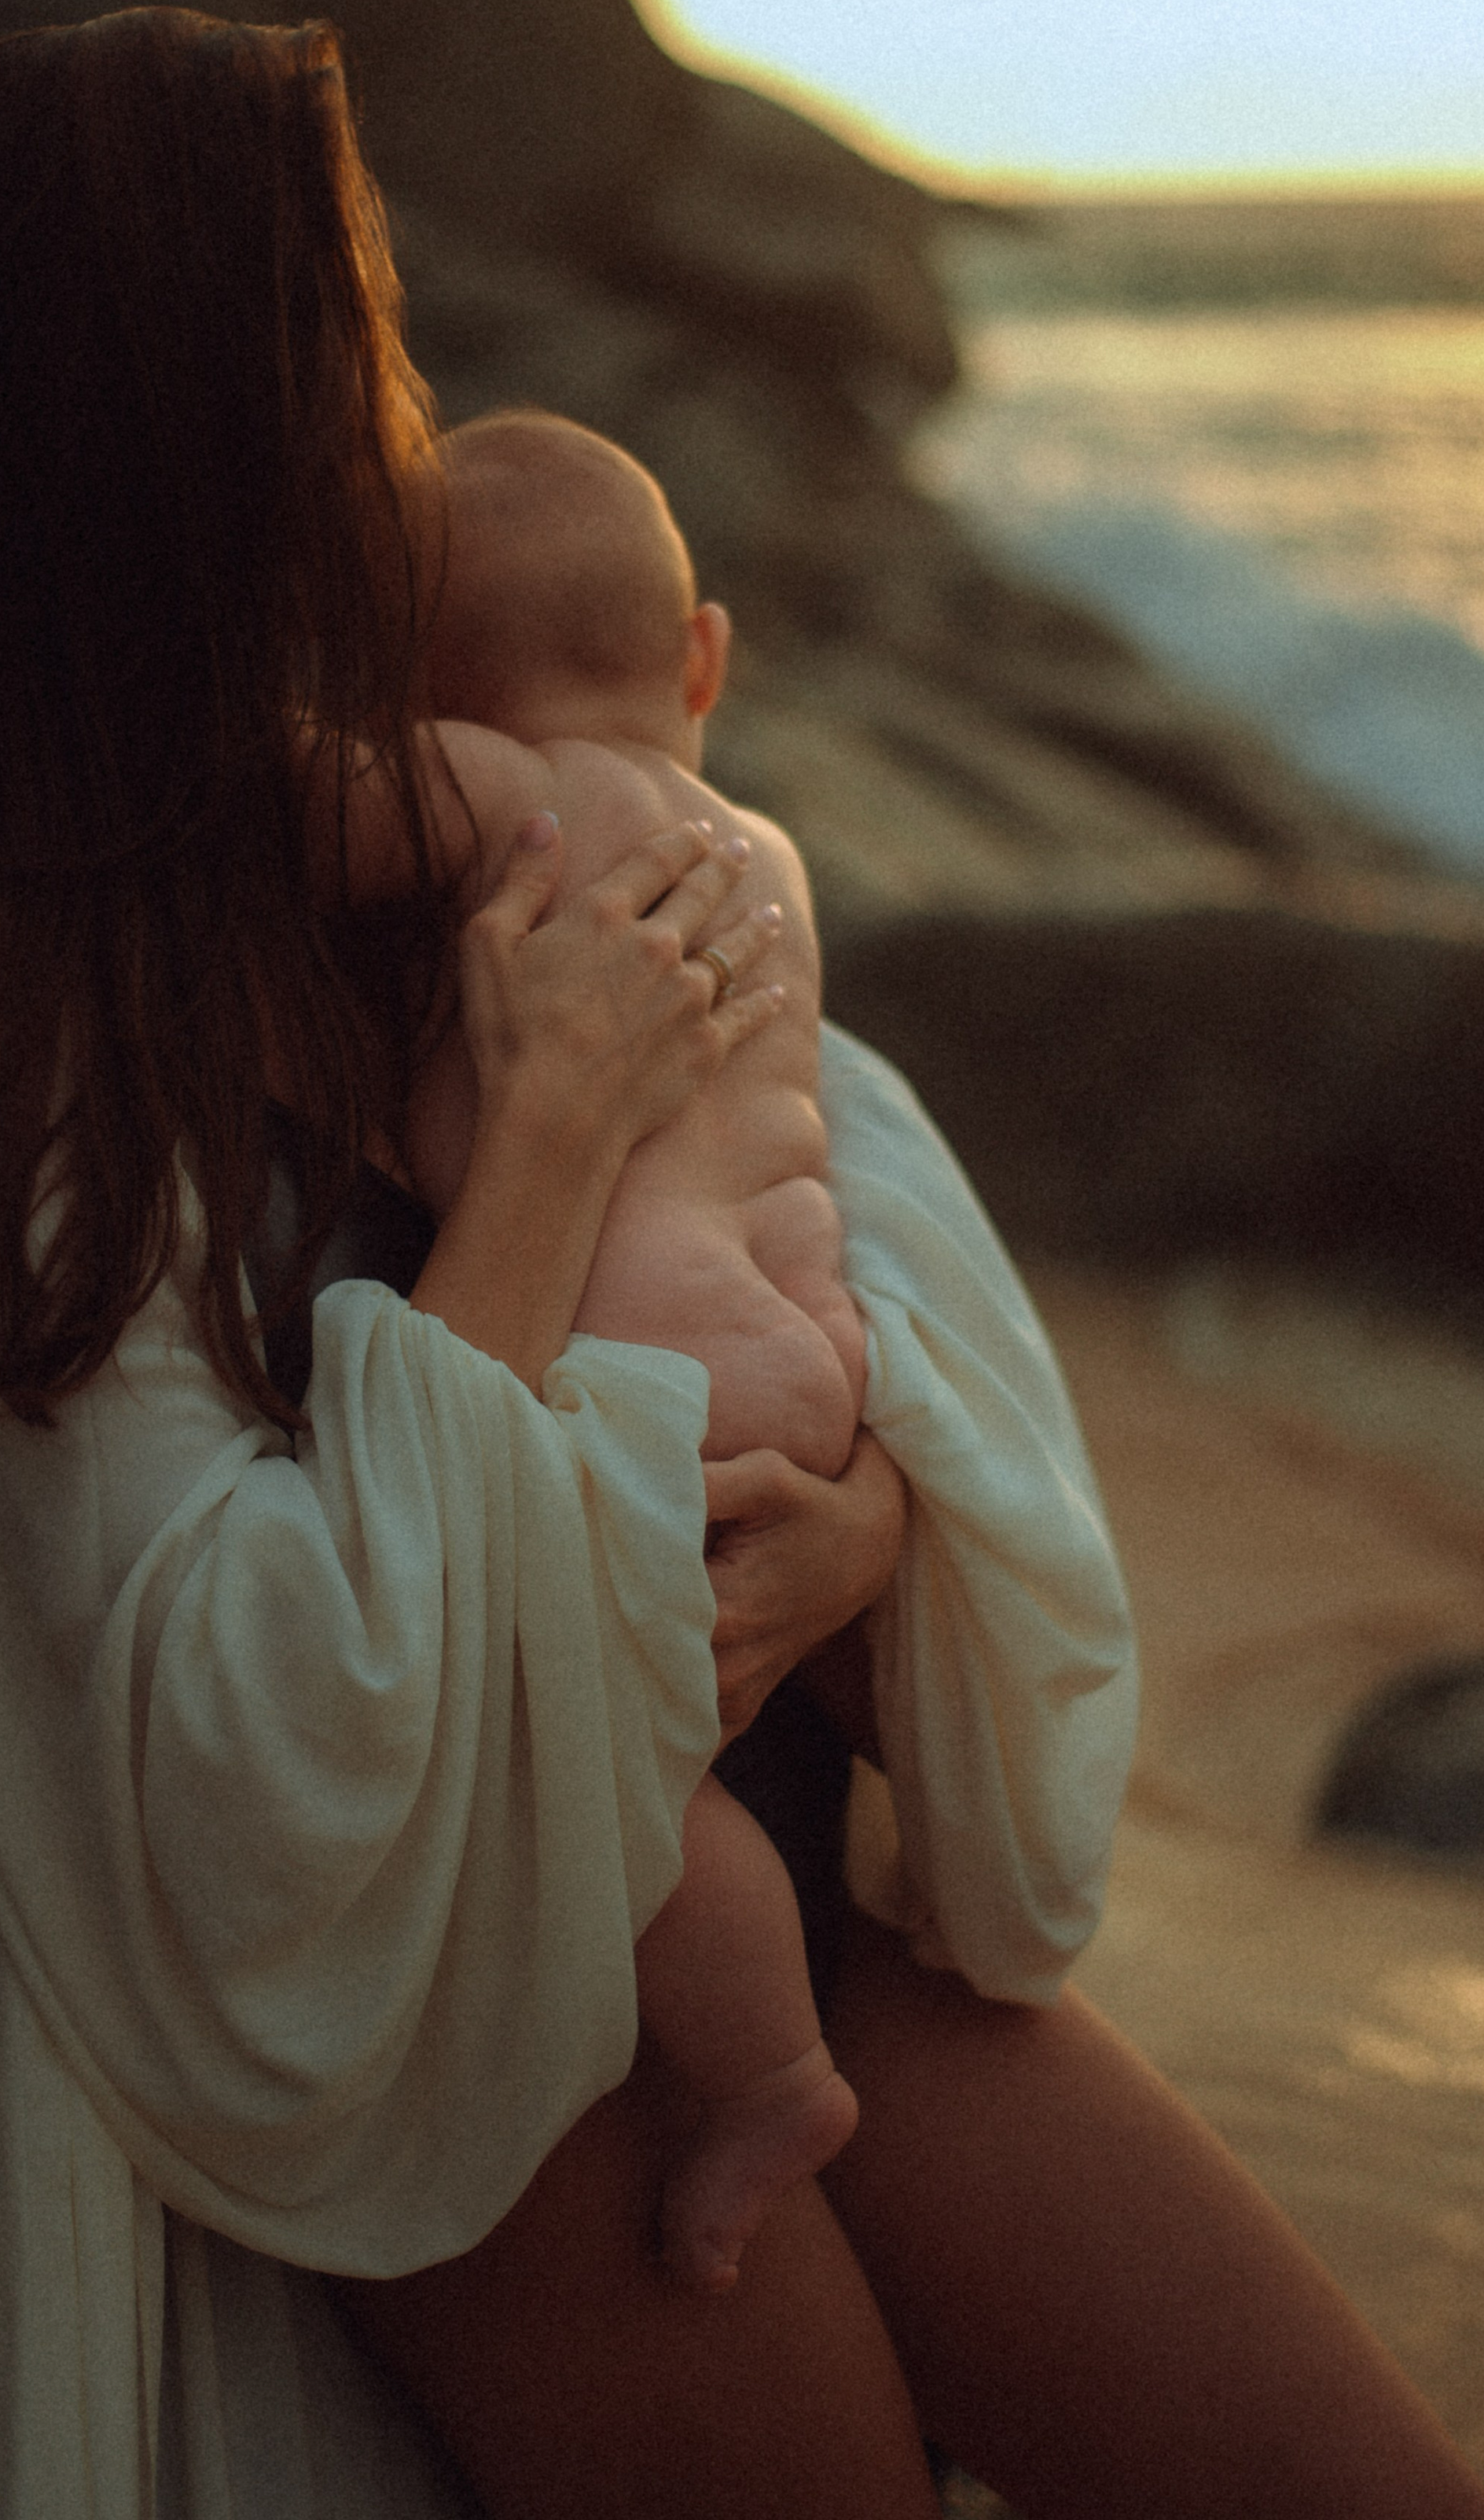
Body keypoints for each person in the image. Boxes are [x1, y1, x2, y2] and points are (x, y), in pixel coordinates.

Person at [0, 5, 1484, 2520]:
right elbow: (246, 1774)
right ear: (183, 436)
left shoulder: (429, 852)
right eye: (355, 337)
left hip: (761, 1900)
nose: (402, 416)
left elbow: (868, 1255)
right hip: (472, 2064)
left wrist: (877, 1528)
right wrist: (547, 1133)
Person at [318, 405, 883, 2297]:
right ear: (701, 658)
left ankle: (762, 2075)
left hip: (653, 1377)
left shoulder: (519, 791)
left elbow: (317, 814)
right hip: (805, 1350)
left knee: (606, 1781)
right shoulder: (765, 850)